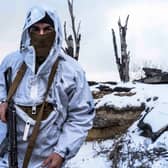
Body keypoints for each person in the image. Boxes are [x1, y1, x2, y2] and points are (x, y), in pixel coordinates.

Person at [0, 5, 95, 168]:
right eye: (36, 29)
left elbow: (81, 116)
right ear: (28, 31)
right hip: (7, 160)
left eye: (47, 29)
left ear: (56, 30)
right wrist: (2, 100)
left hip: (48, 163)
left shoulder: (72, 71)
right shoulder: (11, 63)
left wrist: (61, 152)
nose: (41, 35)